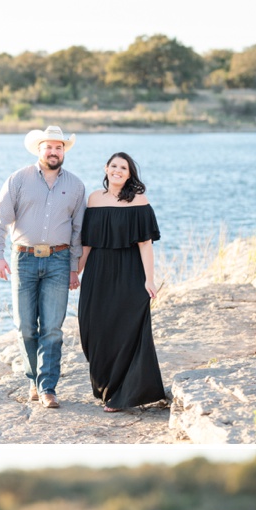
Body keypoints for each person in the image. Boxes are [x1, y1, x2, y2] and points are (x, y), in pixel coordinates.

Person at [0, 125, 86, 409]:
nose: (54, 152)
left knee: (53, 328)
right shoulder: (18, 180)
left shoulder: (77, 186)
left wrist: (73, 268)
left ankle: (47, 388)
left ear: (63, 151)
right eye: (49, 147)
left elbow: (78, 231)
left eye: (59, 147)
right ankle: (33, 380)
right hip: (23, 258)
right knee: (25, 328)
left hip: (59, 260)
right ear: (39, 149)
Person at [76, 152, 167, 412]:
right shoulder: (94, 198)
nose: (117, 171)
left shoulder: (139, 200)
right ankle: (105, 387)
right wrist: (76, 272)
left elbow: (145, 245)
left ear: (129, 174)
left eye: (123, 168)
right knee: (93, 329)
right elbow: (88, 242)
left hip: (129, 273)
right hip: (97, 273)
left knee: (125, 330)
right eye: (114, 166)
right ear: (106, 169)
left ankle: (121, 395)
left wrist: (149, 279)